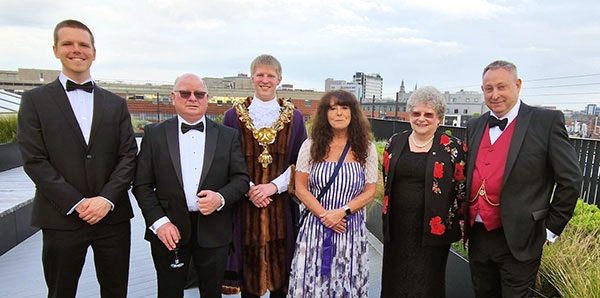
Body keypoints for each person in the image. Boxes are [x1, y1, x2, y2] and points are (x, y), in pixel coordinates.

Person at [16, 20, 137, 298]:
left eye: (84, 45)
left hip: (112, 217)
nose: (76, 50)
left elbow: (128, 154)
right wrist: (77, 203)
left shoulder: (116, 103)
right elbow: (34, 160)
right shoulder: (34, 101)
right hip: (62, 217)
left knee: (116, 290)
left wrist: (105, 199)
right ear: (56, 50)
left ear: (94, 52)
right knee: (60, 291)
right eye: (68, 44)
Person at [465, 60, 581, 298]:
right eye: (489, 88)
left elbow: (570, 180)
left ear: (517, 85)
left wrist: (550, 230)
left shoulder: (546, 122)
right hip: (478, 236)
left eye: (502, 87)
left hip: (522, 238)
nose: (495, 94)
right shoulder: (474, 125)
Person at [132, 74, 249, 298]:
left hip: (214, 231)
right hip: (169, 231)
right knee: (168, 293)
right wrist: (160, 223)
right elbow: (141, 184)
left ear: (207, 99)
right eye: (185, 93)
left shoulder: (228, 136)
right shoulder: (154, 134)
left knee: (212, 294)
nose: (192, 98)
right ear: (173, 98)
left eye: (199, 94)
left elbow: (241, 179)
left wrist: (220, 198)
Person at [222, 54, 307, 297]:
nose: (265, 80)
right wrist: (249, 188)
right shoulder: (233, 115)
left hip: (281, 204)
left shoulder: (295, 116)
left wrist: (272, 187)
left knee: (281, 279)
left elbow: (300, 162)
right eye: (260, 75)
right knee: (250, 277)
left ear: (279, 79)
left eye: (270, 75)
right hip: (245, 204)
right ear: (252, 78)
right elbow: (228, 159)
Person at [287, 89, 378, 297]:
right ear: (324, 114)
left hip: (349, 229)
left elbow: (370, 191)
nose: (339, 113)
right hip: (315, 228)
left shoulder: (366, 148)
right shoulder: (310, 146)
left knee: (346, 280)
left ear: (353, 113)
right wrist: (326, 216)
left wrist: (341, 212)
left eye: (344, 107)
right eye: (333, 108)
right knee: (312, 282)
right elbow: (300, 188)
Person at [380, 86, 467, 298]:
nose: (421, 119)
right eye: (416, 113)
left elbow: (461, 189)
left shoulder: (453, 148)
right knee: (395, 279)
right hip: (398, 227)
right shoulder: (395, 142)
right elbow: (387, 180)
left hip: (433, 229)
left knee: (427, 282)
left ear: (439, 118)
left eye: (429, 114)